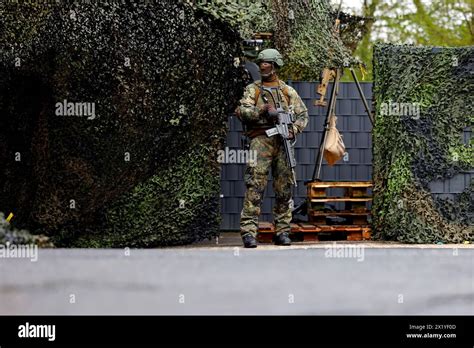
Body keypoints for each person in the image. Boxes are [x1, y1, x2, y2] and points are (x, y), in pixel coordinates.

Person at [235, 48, 309, 248]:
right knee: (255, 186)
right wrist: (264, 110)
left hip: (283, 142)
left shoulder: (287, 91)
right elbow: (242, 110)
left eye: (266, 63)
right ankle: (249, 232)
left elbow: (303, 115)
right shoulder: (254, 89)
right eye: (260, 64)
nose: (262, 67)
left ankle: (283, 231)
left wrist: (293, 129)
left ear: (275, 65)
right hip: (261, 140)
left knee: (284, 188)